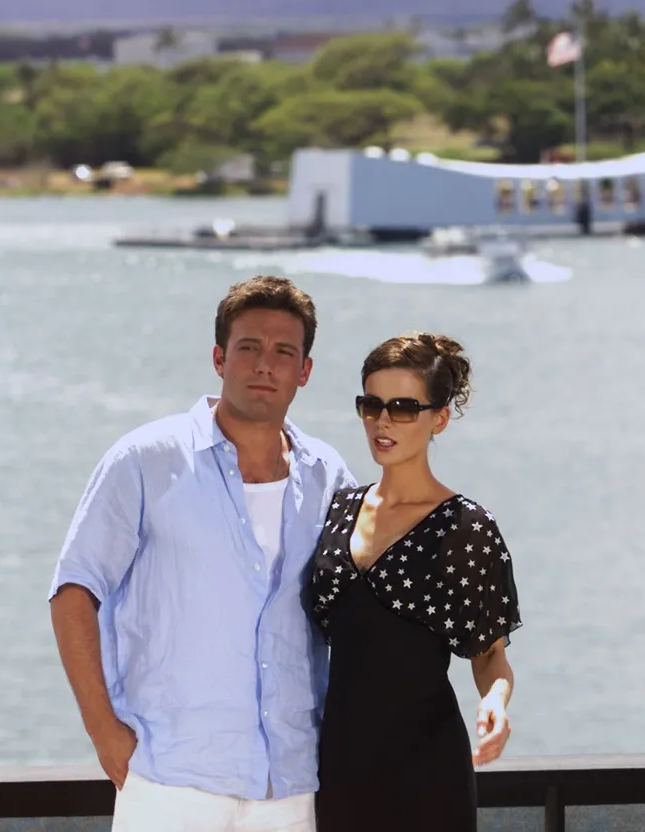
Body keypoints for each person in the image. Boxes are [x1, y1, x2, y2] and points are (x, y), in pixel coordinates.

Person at [47, 275, 355, 832]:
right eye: (249, 348)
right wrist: (103, 731)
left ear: (305, 371)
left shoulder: (328, 475)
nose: (266, 365)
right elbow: (73, 591)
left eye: (284, 352)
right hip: (170, 781)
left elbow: (361, 611)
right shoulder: (144, 459)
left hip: (289, 787)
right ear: (219, 358)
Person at [306, 332, 522, 832]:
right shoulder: (339, 509)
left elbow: (489, 654)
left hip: (426, 774)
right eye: (371, 404)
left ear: (439, 418)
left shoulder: (466, 527)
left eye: (404, 408)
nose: (383, 422)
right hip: (336, 767)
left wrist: (494, 702)